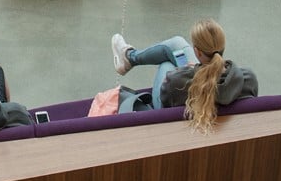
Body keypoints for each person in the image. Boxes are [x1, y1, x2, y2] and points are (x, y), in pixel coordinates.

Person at [110, 19, 258, 133]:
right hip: (210, 103)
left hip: (169, 111)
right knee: (177, 44)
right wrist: (195, 70)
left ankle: (129, 57)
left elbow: (165, 99)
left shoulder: (176, 81)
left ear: (197, 52)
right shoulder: (248, 78)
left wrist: (186, 72)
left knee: (167, 63)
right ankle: (129, 58)